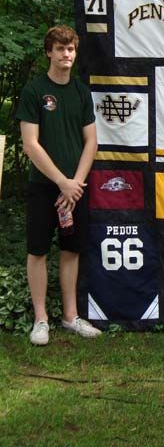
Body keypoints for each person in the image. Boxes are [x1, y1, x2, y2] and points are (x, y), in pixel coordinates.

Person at [16, 25, 101, 345]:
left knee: (71, 250)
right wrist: (61, 182)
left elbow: (91, 142)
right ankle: (41, 320)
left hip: (75, 190)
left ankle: (70, 316)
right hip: (44, 186)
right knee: (37, 250)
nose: (67, 54)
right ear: (48, 52)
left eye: (71, 49)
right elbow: (30, 145)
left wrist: (75, 184)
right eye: (60, 49)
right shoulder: (34, 91)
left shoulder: (80, 91)